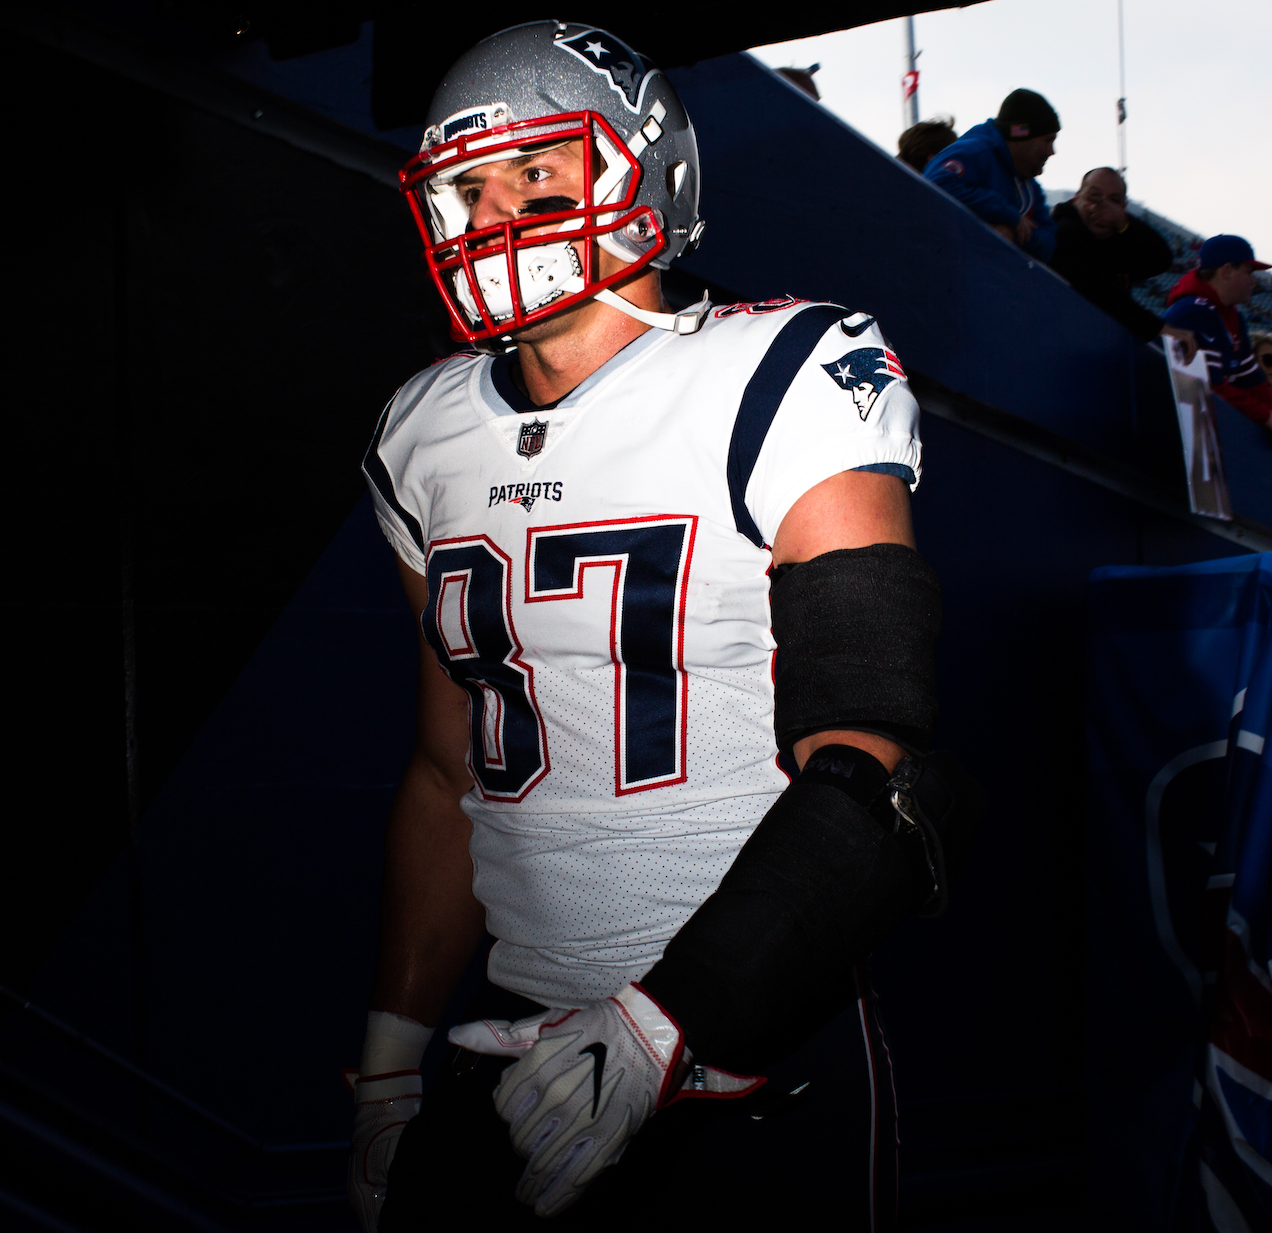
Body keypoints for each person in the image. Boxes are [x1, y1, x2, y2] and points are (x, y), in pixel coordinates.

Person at [350, 21, 978, 1232]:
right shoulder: (417, 430)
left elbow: (870, 747)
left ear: (649, 170)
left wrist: (663, 1022)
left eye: (536, 173)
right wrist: (386, 1063)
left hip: (749, 1050)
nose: (495, 215)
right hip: (512, 1057)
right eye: (467, 188)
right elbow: (445, 774)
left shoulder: (785, 368)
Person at [1161, 234, 1272, 468]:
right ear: (1226, 271)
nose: (1254, 281)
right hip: (1172, 440)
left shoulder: (1232, 316)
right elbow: (1206, 386)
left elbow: (1254, 384)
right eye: (1249, 272)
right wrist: (1264, 415)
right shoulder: (1194, 312)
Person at [924, 88, 1060, 260]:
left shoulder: (1030, 188)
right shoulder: (974, 154)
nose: (1052, 151)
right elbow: (933, 187)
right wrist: (1004, 213)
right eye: (1048, 140)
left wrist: (1015, 234)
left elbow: (1048, 242)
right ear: (1021, 136)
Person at [1045, 167, 1171, 340]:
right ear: (1077, 197)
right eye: (1094, 197)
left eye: (1114, 201)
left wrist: (1123, 222)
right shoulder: (1064, 231)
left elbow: (1161, 259)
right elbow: (1098, 290)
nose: (1103, 207)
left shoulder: (1117, 242)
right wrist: (1156, 328)